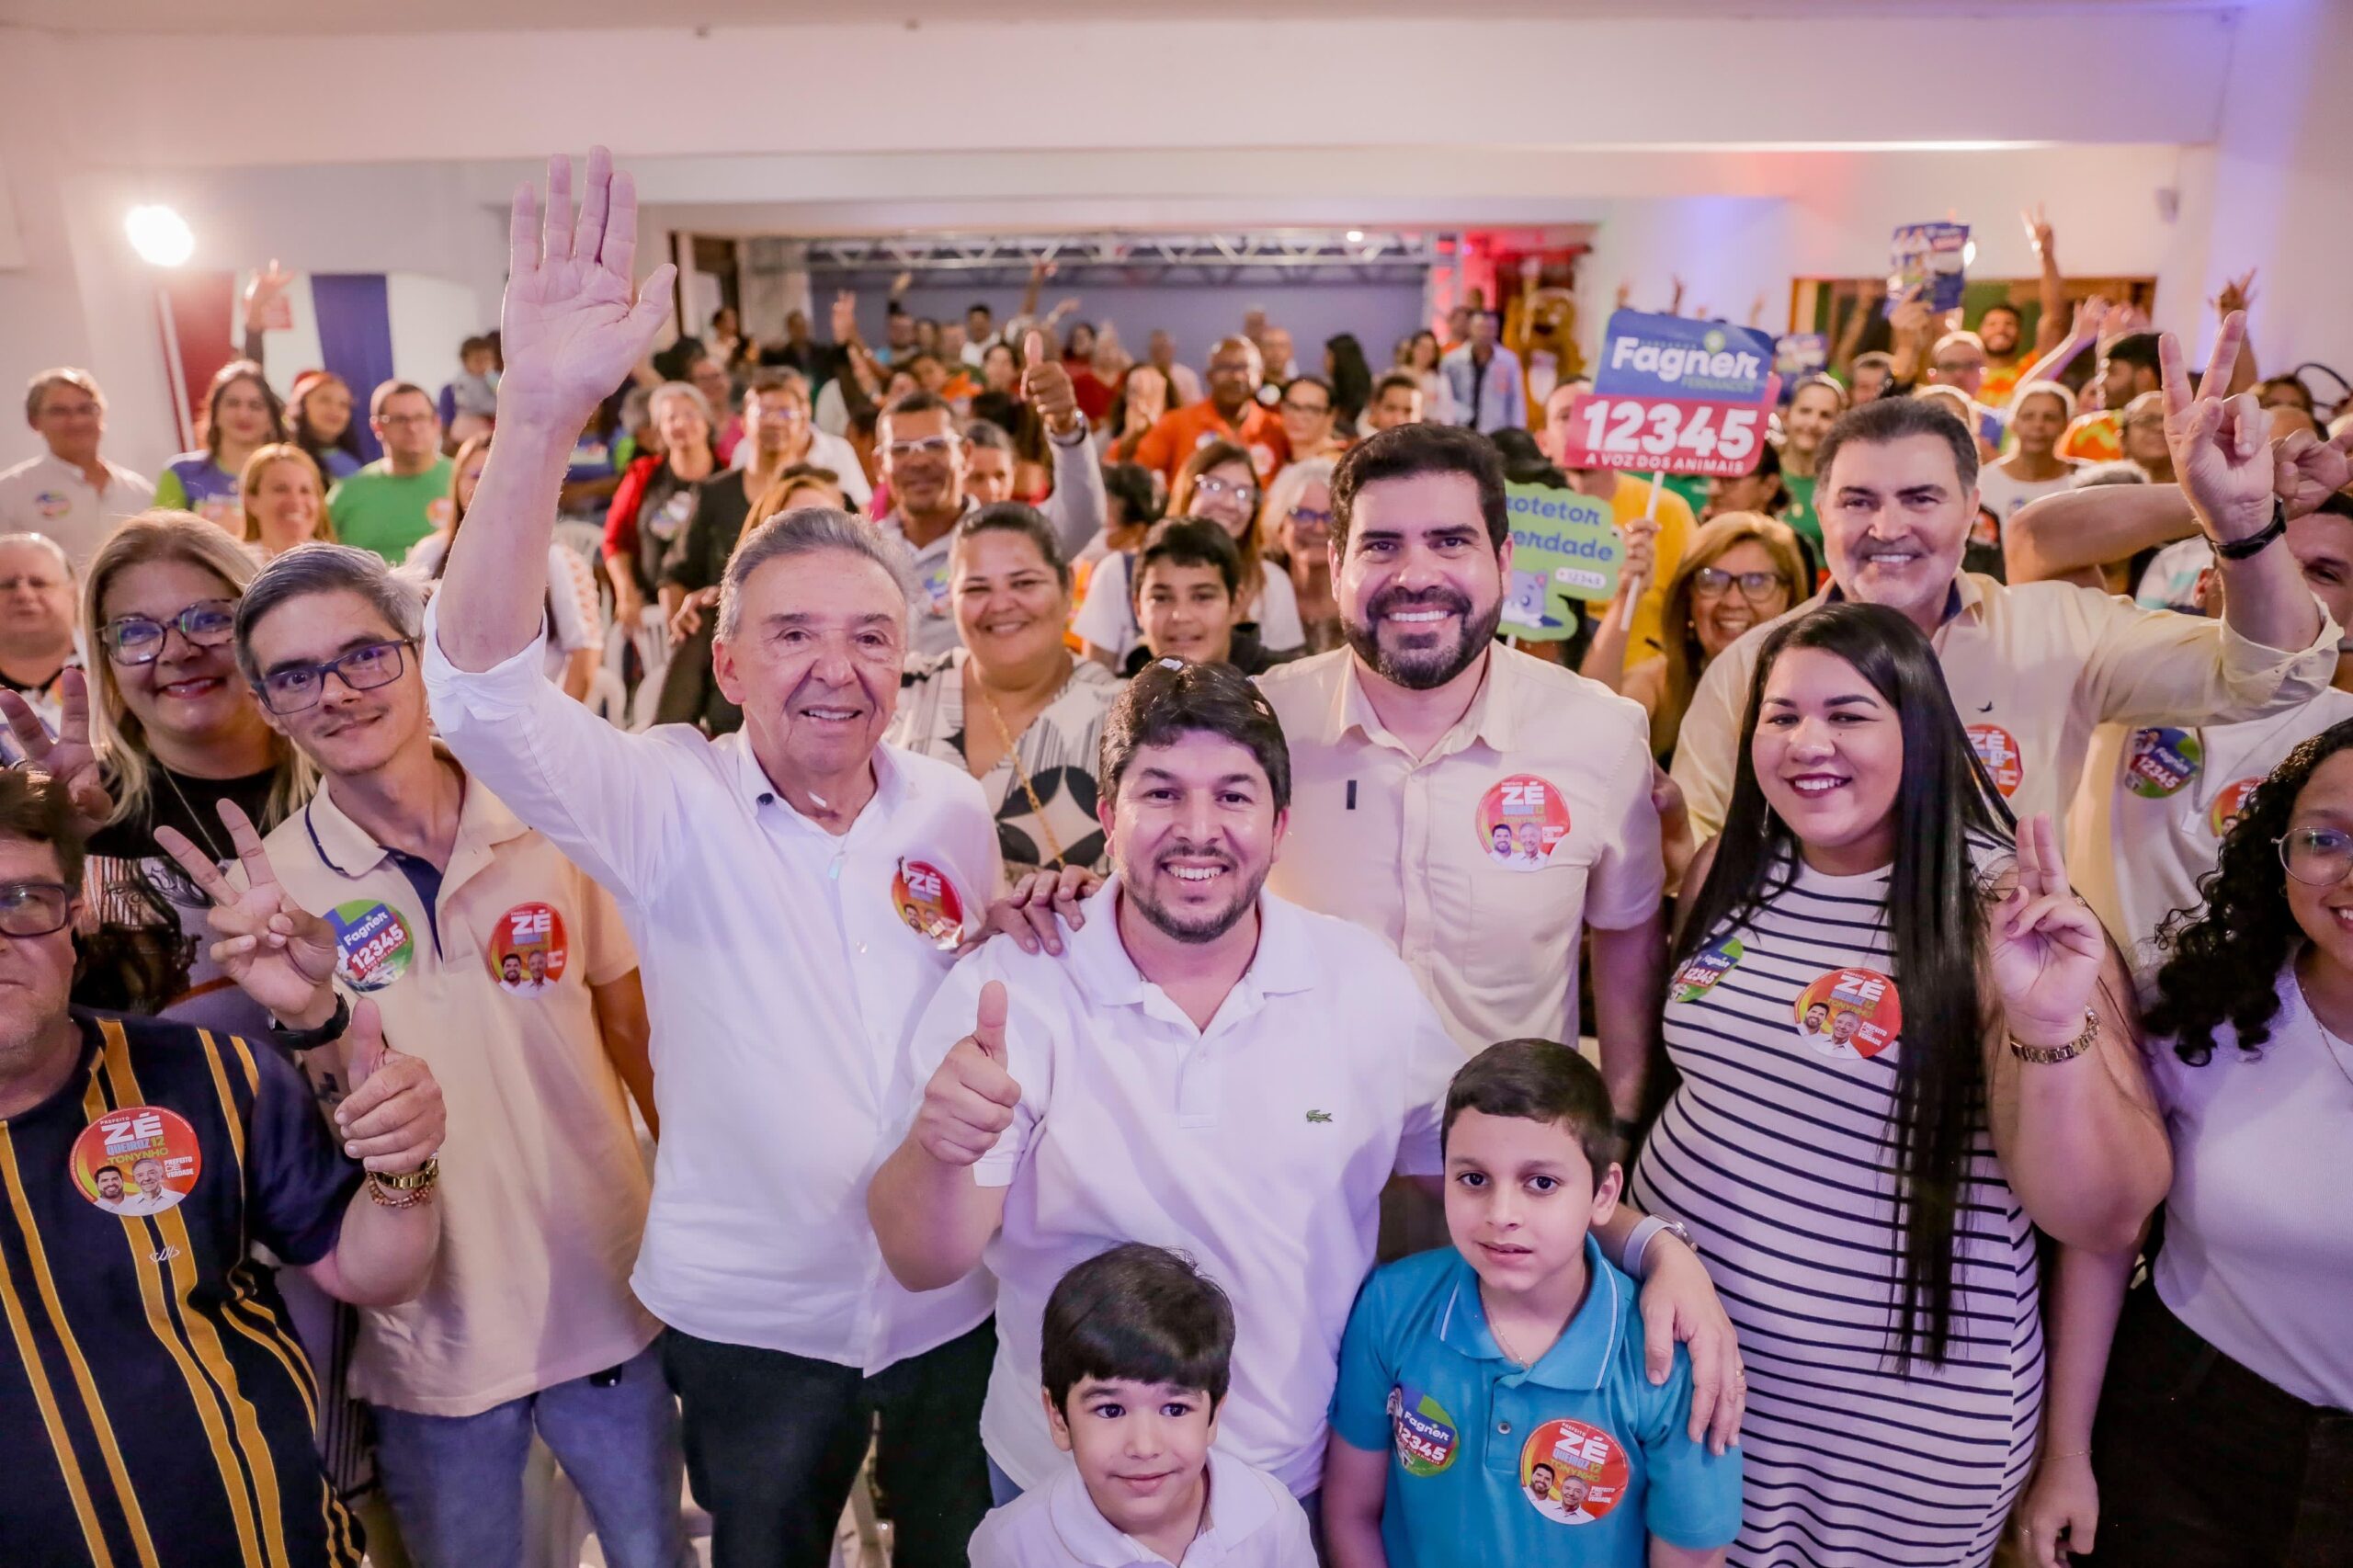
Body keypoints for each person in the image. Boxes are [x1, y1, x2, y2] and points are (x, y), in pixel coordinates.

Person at [426, 150, 1001, 1568]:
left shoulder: (950, 806)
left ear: (910, 658)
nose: (835, 667)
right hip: (752, 1318)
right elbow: (482, 688)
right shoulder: (663, 799)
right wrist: (543, 407)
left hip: (950, 1306)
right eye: (793, 633)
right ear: (726, 656)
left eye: (870, 634)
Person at [1637, 602, 2169, 1566]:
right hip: (1693, 1384)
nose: (1808, 743)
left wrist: (2065, 1453)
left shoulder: (2007, 913)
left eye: (1847, 714)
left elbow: (2103, 1220)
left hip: (1895, 1428)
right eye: (1781, 714)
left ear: (1919, 727)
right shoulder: (1729, 869)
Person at [869, 659, 1462, 1512]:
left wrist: (1648, 1247)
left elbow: (1487, 1166)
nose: (1197, 828)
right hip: (1056, 1492)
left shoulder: (1361, 982)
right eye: (1160, 794)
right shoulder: (1015, 986)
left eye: (1233, 795)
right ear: (1107, 816)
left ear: (1280, 822)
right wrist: (941, 1146)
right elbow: (922, 1261)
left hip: (1289, 1484)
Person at [210, 542, 682, 1568]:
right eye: (295, 675)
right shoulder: (270, 896)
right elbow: (306, 1143)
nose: (336, 691)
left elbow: (637, 1036)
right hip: (431, 1342)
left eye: (365, 655)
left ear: (420, 654)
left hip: (608, 1294)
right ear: (267, 703)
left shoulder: (548, 825)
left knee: (655, 1555)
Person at [0, 764, 449, 1568]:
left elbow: (372, 1271)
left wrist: (402, 1163)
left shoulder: (205, 1072)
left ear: (75, 921)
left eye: (21, 902)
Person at [1670, 322, 2339, 843]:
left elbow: (2274, 674)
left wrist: (2246, 525)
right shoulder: (1749, 667)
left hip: (2005, 996)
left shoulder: (2060, 629)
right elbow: (1702, 856)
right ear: (1821, 513)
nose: (1888, 526)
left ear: (1972, 512)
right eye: (1857, 501)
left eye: (1921, 498)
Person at [2036, 722, 2353, 1565]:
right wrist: (2064, 1454)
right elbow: (2105, 1239)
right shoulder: (2201, 1018)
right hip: (2190, 1437)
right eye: (2326, 840)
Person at [1324, 1039, 1743, 1567]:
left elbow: (1693, 1554)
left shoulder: (1664, 1352)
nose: (1502, 1213)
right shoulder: (1392, 1305)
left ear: (1604, 1194)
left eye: (1540, 1183)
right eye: (1473, 1179)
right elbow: (1351, 1512)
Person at [4, 515, 313, 1036]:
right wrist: (44, 850)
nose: (176, 651)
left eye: (211, 618)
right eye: (136, 632)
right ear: (107, 658)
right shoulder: (81, 803)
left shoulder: (344, 785)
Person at [2064, 492, 2353, 974]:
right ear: (2205, 582)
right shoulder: (2122, 670)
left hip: (2233, 1035)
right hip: (2075, 1013)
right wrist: (2230, 500)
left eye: (2324, 573)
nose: (2284, 583)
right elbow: (2045, 542)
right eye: (2268, 555)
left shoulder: (2344, 736)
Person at [968, 1244, 1314, 1568]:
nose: (1144, 1447)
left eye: (1175, 1409)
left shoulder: (1270, 1517)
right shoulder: (1012, 1548)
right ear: (1058, 1417)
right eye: (1111, 1410)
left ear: (1213, 1417)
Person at [886, 504, 1120, 874]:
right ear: (952, 598)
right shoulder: (900, 690)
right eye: (977, 588)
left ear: (1066, 587)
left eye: (1024, 583)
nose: (1001, 605)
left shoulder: (1125, 718)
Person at [876, 348, 1107, 659]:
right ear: (880, 465)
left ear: (966, 455)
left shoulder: (1009, 539)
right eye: (901, 449)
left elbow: (1082, 516)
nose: (918, 461)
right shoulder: (864, 552)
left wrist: (1065, 425)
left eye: (935, 445)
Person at [1582, 514, 1806, 765]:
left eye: (1757, 582)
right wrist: (1626, 595)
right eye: (1711, 580)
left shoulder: (1815, 690)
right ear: (1688, 597)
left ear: (1791, 597)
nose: (1732, 601)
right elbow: (1591, 732)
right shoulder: (1661, 684)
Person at [1074, 440, 1304, 667]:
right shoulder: (1119, 571)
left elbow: (1283, 678)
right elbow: (1097, 677)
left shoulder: (1272, 581)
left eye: (1244, 493)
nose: (1229, 502)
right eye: (1214, 486)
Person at [406, 436, 598, 702]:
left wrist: (552, 733)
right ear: (457, 483)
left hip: (531, 719)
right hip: (446, 719)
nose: (485, 484)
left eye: (496, 474)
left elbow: (584, 654)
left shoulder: (554, 559)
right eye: (475, 475)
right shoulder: (430, 553)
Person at [1537, 381, 1696, 676]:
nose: (1584, 424)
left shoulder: (1667, 511)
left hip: (1640, 690)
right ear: (1543, 442)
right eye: (1566, 416)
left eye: (1595, 413)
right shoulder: (1524, 515)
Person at [0, 368, 155, 565]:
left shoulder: (140, 492)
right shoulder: (9, 493)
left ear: (101, 416)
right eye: (59, 411)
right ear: (34, 421)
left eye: (85, 409)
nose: (76, 421)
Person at [603, 380, 719, 638]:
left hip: (710, 610)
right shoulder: (643, 475)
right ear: (658, 430)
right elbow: (614, 541)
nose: (680, 424)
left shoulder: (728, 476)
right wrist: (626, 593)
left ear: (706, 421)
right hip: (648, 611)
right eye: (670, 418)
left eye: (689, 414)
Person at [1131, 336, 1290, 489]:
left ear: (1260, 376)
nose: (1236, 377)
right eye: (1225, 367)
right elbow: (1137, 476)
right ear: (1209, 375)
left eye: (1244, 367)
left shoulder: (1277, 428)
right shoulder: (1176, 423)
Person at [1126, 519, 1279, 676]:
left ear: (1235, 604)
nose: (1181, 616)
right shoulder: (1121, 694)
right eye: (1161, 598)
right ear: (1137, 608)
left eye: (1202, 597)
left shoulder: (1285, 689)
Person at [326, 381, 455, 564]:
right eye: (399, 419)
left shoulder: (466, 482)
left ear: (436, 422)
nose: (411, 427)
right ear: (377, 427)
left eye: (420, 417)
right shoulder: (347, 494)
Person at [155, 360, 286, 533]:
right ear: (214, 412)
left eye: (255, 406)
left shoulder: (291, 476)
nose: (243, 414)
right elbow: (158, 545)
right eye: (233, 403)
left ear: (271, 419)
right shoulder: (181, 473)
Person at [0, 532, 81, 756]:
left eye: (39, 583)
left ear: (72, 592)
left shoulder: (120, 672)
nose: (24, 594)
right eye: (5, 586)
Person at [1976, 381, 2083, 532]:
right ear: (2012, 423)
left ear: (2066, 424)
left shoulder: (2085, 479)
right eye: (2028, 416)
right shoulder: (1983, 484)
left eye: (2050, 417)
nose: (2038, 425)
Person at [1262, 455, 1342, 654]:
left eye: (1331, 517)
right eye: (1302, 515)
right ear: (1279, 525)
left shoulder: (1366, 595)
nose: (1318, 528)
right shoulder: (1257, 590)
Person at [2059, 332, 2162, 463]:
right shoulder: (2083, 430)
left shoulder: (2176, 434)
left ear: (2144, 377)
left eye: (2112, 372)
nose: (2100, 382)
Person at [1775, 373, 1844, 549]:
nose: (1813, 423)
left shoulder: (1847, 481)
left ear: (1839, 424)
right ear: (1786, 415)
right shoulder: (1762, 473)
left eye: (1825, 415)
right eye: (1805, 411)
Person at [239, 443, 335, 561]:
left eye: (305, 491)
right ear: (251, 501)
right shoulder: (232, 568)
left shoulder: (340, 570)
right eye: (281, 489)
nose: (296, 500)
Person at [1439, 310, 1526, 434]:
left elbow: (1516, 399)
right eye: (1480, 328)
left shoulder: (1508, 361)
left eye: (1490, 328)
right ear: (1470, 328)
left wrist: (1518, 431)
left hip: (1496, 429)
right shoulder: (1452, 360)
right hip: (1459, 427)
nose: (1485, 333)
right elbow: (1444, 396)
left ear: (1497, 331)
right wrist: (1461, 413)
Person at [284, 370, 366, 481]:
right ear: (302, 405)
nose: (335, 410)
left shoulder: (353, 463)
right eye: (324, 400)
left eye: (343, 405)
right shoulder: (285, 458)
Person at [1278, 375, 1345, 461]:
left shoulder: (1330, 466)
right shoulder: (1285, 461)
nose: (1297, 416)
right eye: (1292, 406)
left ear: (1331, 416)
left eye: (1311, 409)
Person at [1401, 331, 1454, 425]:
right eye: (1422, 348)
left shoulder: (1440, 380)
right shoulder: (1400, 376)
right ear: (1412, 349)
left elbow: (1447, 411)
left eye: (1431, 349)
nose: (1426, 353)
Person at [1147, 328, 1204, 406]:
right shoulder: (1141, 376)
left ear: (1172, 349)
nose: (1160, 352)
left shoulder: (1187, 376)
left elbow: (1196, 406)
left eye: (1162, 347)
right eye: (1156, 348)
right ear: (1150, 350)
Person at [1361, 371, 1424, 436]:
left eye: (1408, 411)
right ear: (1374, 407)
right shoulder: (1354, 441)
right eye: (1391, 409)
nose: (1399, 420)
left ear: (1421, 415)